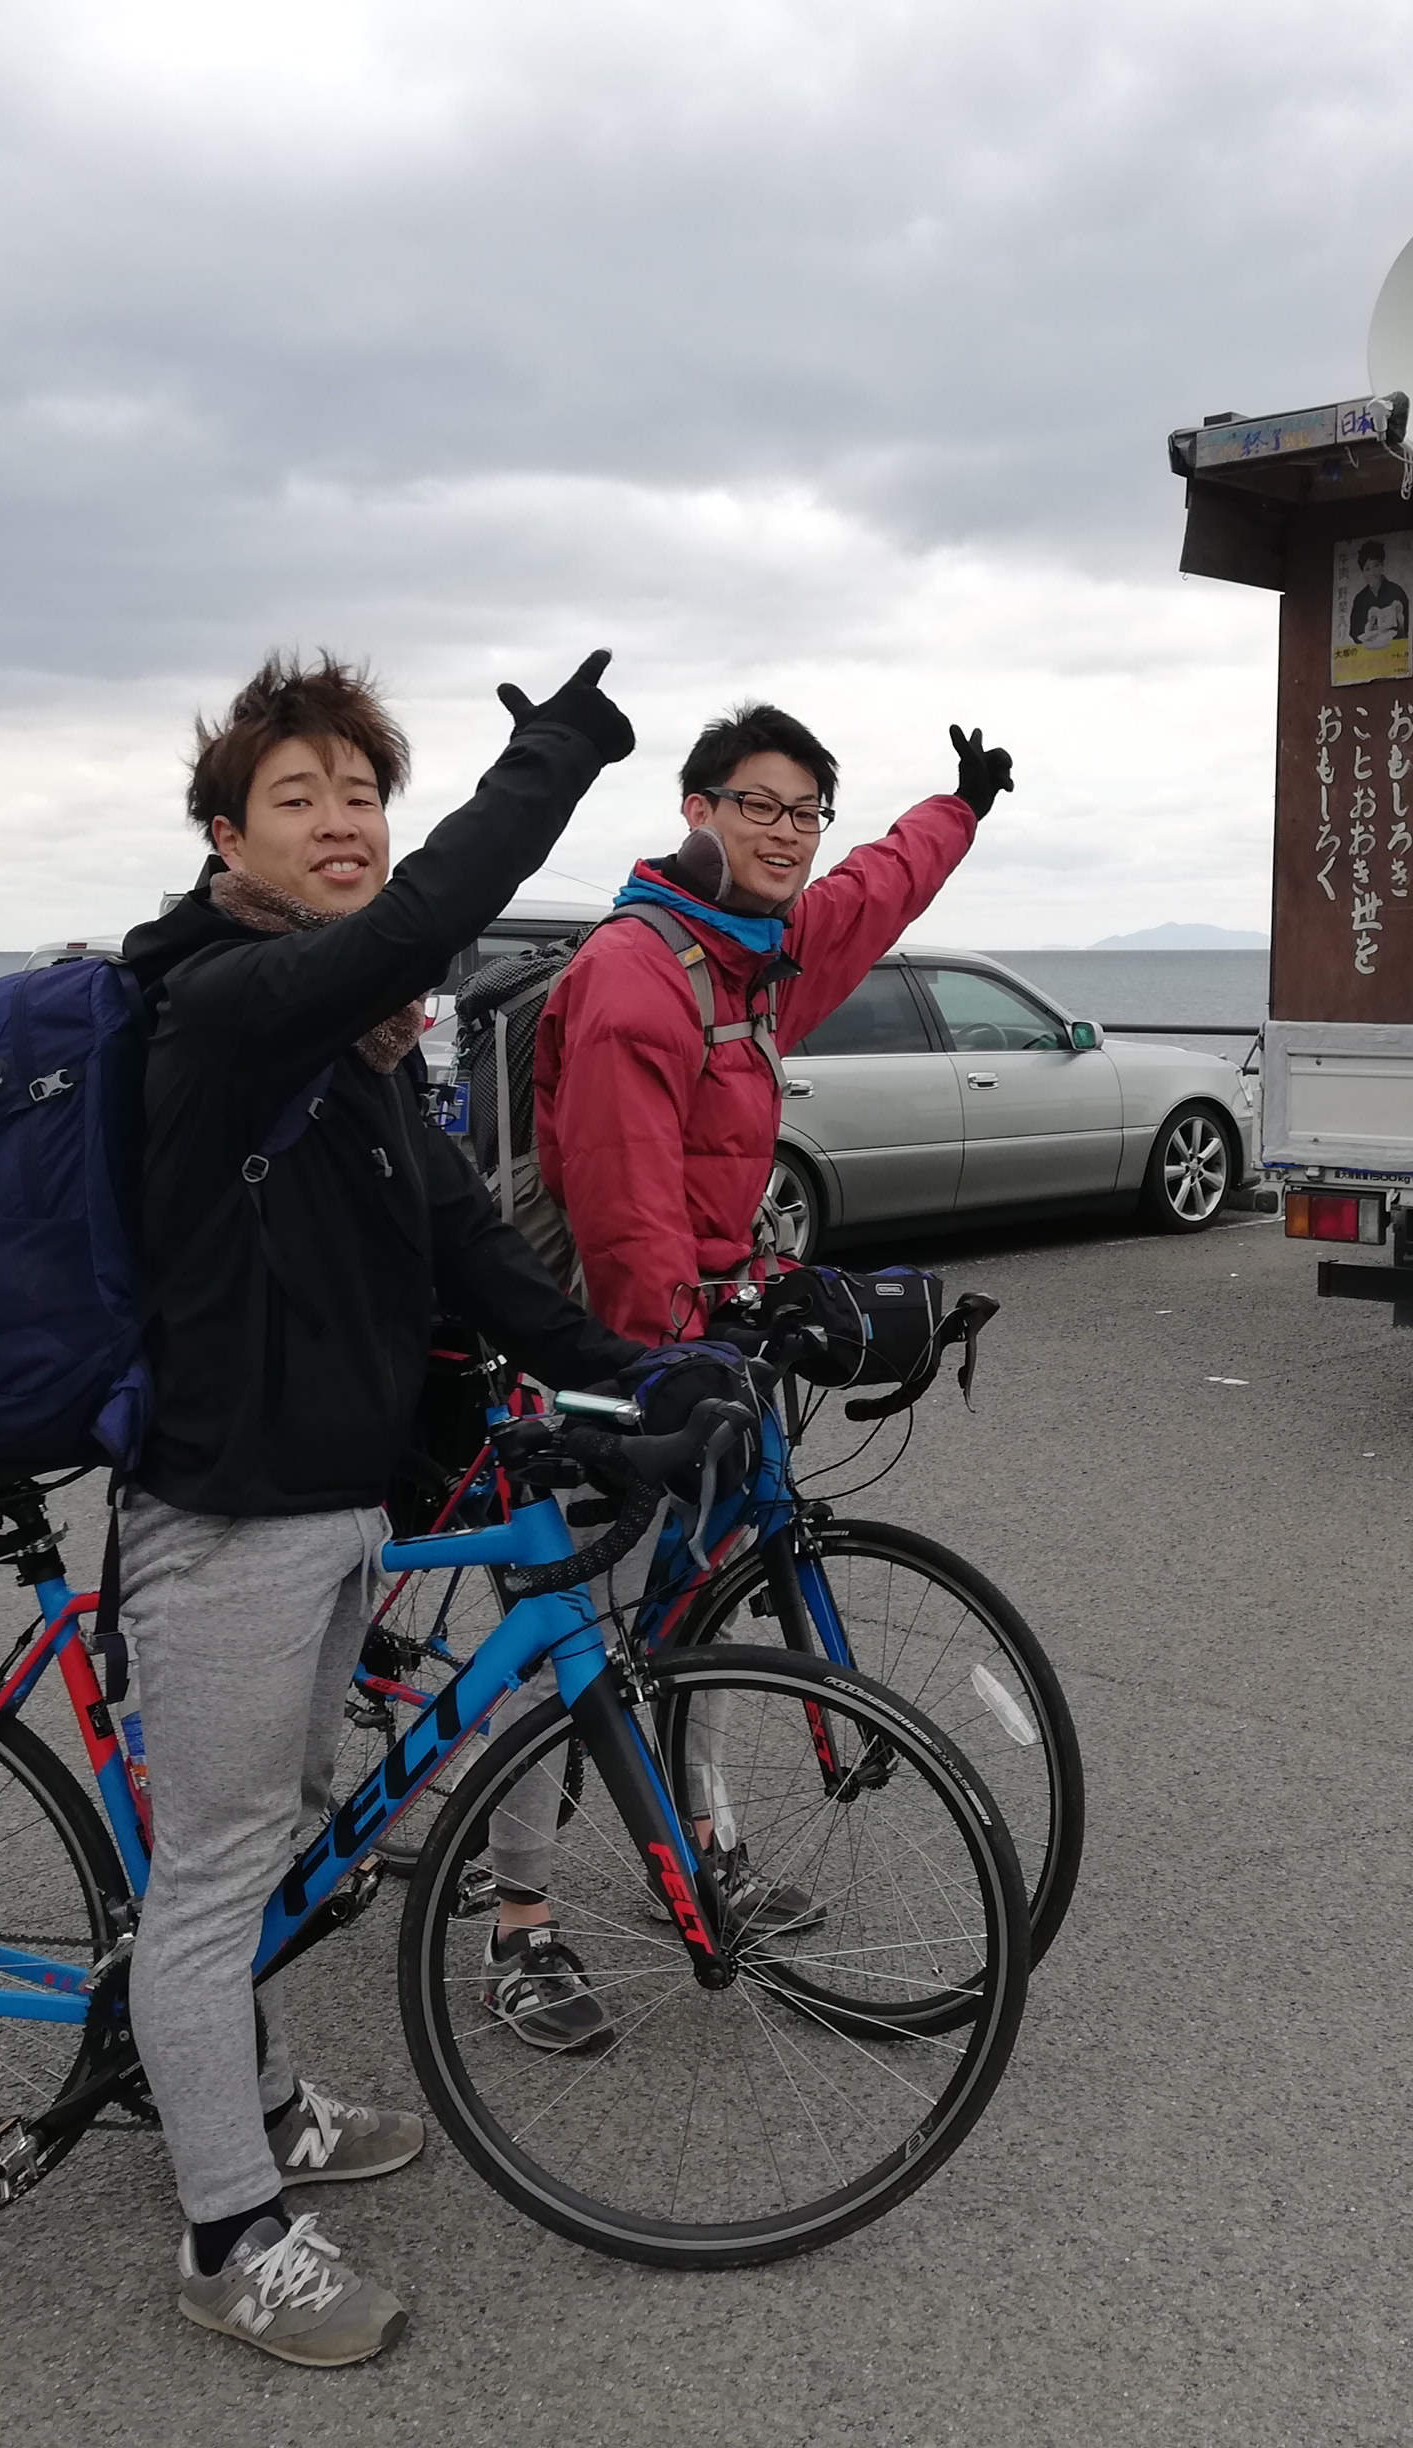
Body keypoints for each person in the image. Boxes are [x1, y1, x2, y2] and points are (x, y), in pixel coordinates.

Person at [112, 648, 730, 2368]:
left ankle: (268, 2101)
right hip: (225, 1512)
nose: (344, 823)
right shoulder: (218, 1005)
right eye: (298, 797)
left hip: (331, 1504)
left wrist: (631, 1370)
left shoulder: (363, 1048)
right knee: (219, 1865)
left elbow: (466, 1247)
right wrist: (551, 763)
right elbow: (412, 929)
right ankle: (228, 2232)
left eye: (363, 795)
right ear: (226, 834)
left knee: (293, 1813)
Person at [473, 704, 1009, 2046]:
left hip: (705, 1345)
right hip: (600, 1359)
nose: (785, 832)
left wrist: (962, 812)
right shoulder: (636, 973)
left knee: (699, 1621)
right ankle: (517, 1923)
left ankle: (701, 1857)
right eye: (757, 804)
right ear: (696, 807)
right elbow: (622, 1204)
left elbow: (866, 900)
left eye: (804, 809)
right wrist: (670, 1360)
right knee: (572, 1640)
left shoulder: (757, 962)